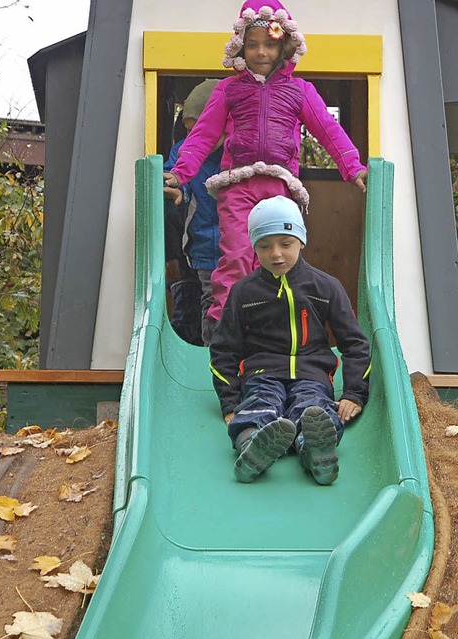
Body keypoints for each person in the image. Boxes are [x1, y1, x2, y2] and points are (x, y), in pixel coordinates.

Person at [163, 0, 368, 335]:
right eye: (253, 44)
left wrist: (353, 168)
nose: (260, 52)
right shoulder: (229, 90)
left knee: (275, 256)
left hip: (279, 187)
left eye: (269, 44)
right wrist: (181, 173)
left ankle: (271, 328)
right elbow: (202, 135)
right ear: (242, 46)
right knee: (236, 255)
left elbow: (329, 132)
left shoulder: (299, 91)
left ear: (283, 45)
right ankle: (224, 327)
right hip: (237, 185)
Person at [209, 196, 371, 484]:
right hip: (262, 373)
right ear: (254, 247)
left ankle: (315, 451)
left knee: (314, 409)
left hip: (312, 374)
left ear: (301, 241)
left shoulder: (325, 287)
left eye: (286, 243)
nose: (276, 254)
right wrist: (230, 403)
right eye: (264, 246)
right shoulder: (244, 292)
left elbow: (354, 342)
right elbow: (224, 349)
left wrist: (353, 393)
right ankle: (252, 449)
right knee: (259, 405)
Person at [164, 79, 223, 346]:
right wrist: (178, 190)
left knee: (247, 301)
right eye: (189, 132)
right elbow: (171, 175)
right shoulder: (184, 151)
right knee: (212, 300)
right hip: (203, 244)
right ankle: (212, 357)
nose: (195, 139)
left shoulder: (239, 152)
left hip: (244, 246)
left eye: (203, 131)